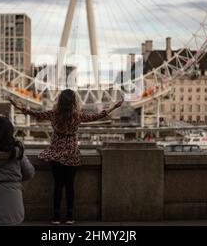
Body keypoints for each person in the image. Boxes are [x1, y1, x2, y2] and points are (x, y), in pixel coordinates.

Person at [10, 89, 123, 225]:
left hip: (56, 152)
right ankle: (70, 215)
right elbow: (97, 116)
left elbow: (35, 114)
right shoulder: (77, 116)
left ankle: (56, 216)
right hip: (71, 153)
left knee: (58, 185)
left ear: (60, 100)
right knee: (70, 185)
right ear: (73, 101)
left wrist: (17, 106)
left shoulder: (53, 114)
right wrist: (113, 107)